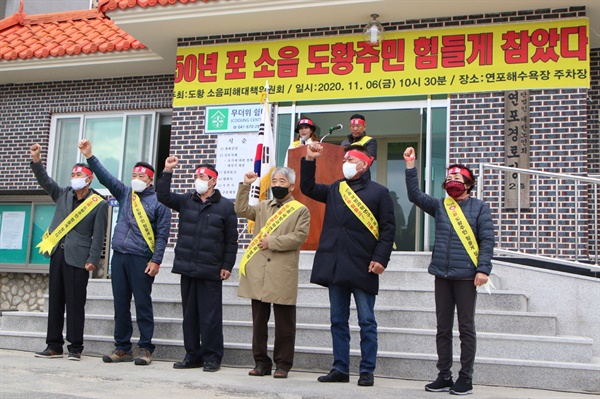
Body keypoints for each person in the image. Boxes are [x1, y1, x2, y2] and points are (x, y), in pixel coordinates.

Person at [300, 143, 395, 387]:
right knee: (337, 320)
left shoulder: (379, 192)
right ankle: (340, 367)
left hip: (364, 265)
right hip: (336, 264)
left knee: (366, 321)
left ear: (364, 164)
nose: (346, 163)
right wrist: (309, 159)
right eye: (345, 159)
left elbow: (387, 229)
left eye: (351, 159)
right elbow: (307, 187)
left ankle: (367, 370)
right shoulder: (335, 189)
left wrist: (381, 258)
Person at [403, 146, 494, 396]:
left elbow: (487, 240)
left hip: (467, 276)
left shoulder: (479, 208)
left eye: (458, 179)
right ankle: (444, 375)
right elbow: (414, 195)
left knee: (466, 327)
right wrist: (411, 166)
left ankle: (466, 377)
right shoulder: (441, 206)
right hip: (441, 275)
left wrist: (483, 269)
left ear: (469, 184)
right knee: (443, 327)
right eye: (449, 178)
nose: (452, 182)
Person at [78, 139, 171, 366]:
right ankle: (122, 348)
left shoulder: (160, 203)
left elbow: (162, 236)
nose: (136, 179)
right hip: (119, 257)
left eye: (141, 177)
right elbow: (105, 177)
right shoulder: (125, 193)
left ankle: (146, 348)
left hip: (142, 259)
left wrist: (156, 260)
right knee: (120, 304)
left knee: (142, 304)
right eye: (134, 175)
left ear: (150, 180)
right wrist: (90, 156)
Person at [156, 158, 238, 372]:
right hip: (188, 267)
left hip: (211, 269)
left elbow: (231, 240)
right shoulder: (186, 200)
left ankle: (212, 357)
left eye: (202, 177)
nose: (198, 180)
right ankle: (193, 354)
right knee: (190, 315)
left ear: (213, 181)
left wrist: (227, 265)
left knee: (210, 316)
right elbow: (163, 196)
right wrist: (167, 171)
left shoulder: (226, 207)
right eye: (196, 176)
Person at [30, 144, 108, 361]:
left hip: (79, 258)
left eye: (79, 174)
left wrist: (94, 259)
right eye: (73, 174)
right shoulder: (63, 194)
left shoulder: (98, 204)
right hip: (57, 254)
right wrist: (37, 160)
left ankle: (75, 347)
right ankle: (53, 345)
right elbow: (45, 181)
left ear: (89, 178)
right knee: (55, 301)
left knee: (75, 303)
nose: (75, 177)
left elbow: (99, 234)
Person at [235, 167, 310, 379]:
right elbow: (241, 209)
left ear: (292, 186)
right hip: (259, 271)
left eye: (282, 181)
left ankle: (283, 364)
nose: (277, 185)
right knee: (259, 322)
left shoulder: (300, 210)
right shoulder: (262, 206)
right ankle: (261, 362)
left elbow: (299, 237)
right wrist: (246, 185)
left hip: (282, 272)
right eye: (274, 181)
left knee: (285, 324)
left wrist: (272, 242)